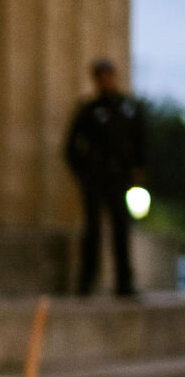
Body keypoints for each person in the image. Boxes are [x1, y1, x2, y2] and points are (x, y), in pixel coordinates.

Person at [64, 59, 146, 297]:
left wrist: (138, 169)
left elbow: (140, 141)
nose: (105, 80)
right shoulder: (89, 110)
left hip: (120, 178)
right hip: (95, 177)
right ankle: (86, 283)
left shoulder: (129, 107)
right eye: (101, 76)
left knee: (122, 227)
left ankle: (124, 282)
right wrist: (84, 173)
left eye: (109, 75)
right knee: (93, 231)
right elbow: (71, 148)